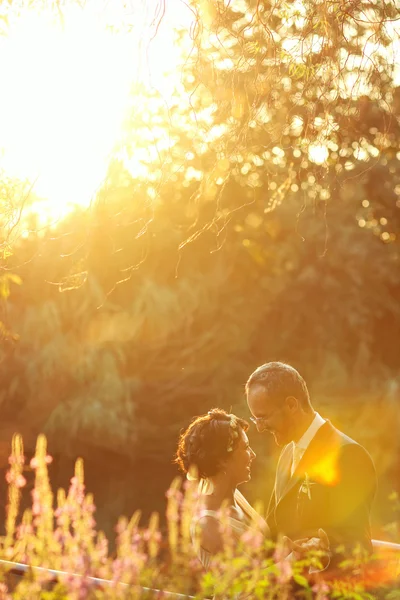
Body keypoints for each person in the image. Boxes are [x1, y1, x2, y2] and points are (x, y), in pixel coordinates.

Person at [246, 361, 377, 570]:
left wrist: (322, 551)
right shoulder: (287, 454)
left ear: (291, 405)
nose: (260, 428)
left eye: (263, 417)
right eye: (256, 419)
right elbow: (275, 528)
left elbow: (357, 543)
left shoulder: (348, 455)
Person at [175, 408, 269, 570]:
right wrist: (295, 558)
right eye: (245, 447)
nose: (252, 454)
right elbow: (249, 581)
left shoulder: (236, 497)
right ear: (222, 461)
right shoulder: (208, 524)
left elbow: (267, 558)